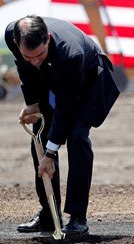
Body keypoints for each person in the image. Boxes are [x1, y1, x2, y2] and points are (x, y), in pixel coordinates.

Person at [5, 15, 120, 237]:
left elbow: (66, 107)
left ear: (47, 38)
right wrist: (33, 105)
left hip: (91, 80)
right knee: (39, 133)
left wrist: (50, 153)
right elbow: (25, 69)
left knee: (76, 136)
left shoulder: (71, 53)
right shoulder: (11, 35)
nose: (35, 61)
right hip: (55, 77)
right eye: (29, 56)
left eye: (39, 54)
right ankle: (49, 214)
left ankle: (78, 217)